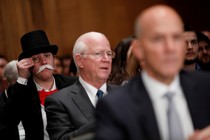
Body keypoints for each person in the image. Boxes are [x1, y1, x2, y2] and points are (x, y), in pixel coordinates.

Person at [95, 5, 210, 140]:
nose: (170, 48)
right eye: (158, 39)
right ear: (139, 50)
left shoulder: (206, 86)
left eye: (177, 38)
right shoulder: (116, 106)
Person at [0, 30, 76, 140]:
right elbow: (8, 122)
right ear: (28, 64)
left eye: (47, 55)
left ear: (53, 59)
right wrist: (22, 78)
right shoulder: (21, 90)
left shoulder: (72, 83)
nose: (44, 62)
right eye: (36, 58)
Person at [45, 32, 117, 140]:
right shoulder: (59, 102)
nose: (106, 59)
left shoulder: (126, 95)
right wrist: (101, 120)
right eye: (98, 54)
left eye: (109, 53)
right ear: (80, 61)